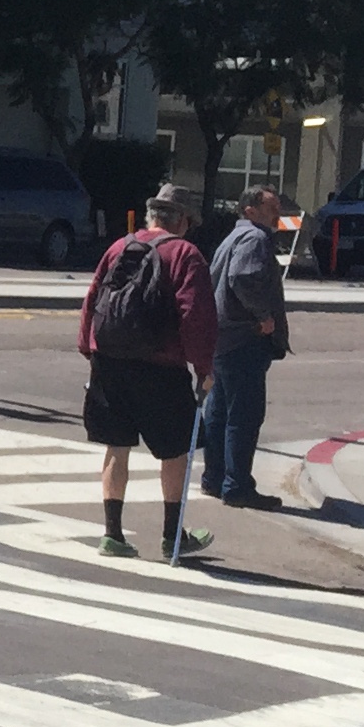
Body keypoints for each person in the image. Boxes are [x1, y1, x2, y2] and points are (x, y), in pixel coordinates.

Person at [78, 185, 219, 563]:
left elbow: (92, 299)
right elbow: (195, 316)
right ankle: (173, 536)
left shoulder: (119, 248)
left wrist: (89, 349)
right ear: (184, 221)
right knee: (174, 453)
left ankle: (112, 534)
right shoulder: (185, 254)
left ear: (152, 216)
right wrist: (203, 368)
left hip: (109, 362)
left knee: (116, 448)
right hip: (161, 368)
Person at [203, 186, 290, 507]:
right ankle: (237, 486)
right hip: (244, 339)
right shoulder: (254, 239)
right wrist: (264, 316)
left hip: (223, 339)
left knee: (220, 413)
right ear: (250, 210)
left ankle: (214, 478)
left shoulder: (233, 237)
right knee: (244, 416)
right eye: (271, 209)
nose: (277, 215)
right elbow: (242, 278)